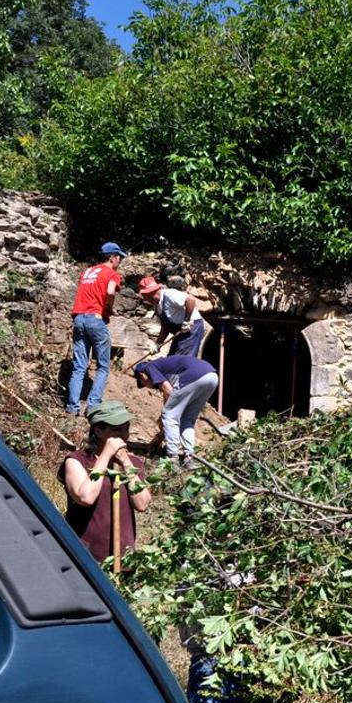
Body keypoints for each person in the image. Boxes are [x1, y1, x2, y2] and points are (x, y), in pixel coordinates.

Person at [59, 400, 151, 565]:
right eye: (116, 430)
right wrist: (106, 455)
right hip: (84, 556)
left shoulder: (133, 464)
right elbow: (85, 497)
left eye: (126, 429)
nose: (123, 436)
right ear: (98, 430)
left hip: (123, 558)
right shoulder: (77, 461)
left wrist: (126, 463)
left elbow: (142, 503)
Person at [66, 242, 126, 415]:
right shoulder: (112, 273)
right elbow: (110, 291)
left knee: (79, 366)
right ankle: (93, 406)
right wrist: (109, 308)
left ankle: (72, 408)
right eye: (119, 257)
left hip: (78, 318)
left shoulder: (87, 271)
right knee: (103, 367)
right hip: (95, 319)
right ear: (112, 257)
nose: (120, 260)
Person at [133, 354, 219, 467]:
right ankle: (189, 457)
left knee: (169, 416)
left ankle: (172, 457)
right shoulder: (162, 367)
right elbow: (169, 396)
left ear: (142, 376)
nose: (148, 386)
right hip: (212, 376)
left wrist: (165, 417)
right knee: (187, 418)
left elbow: (168, 390)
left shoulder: (150, 367)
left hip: (194, 377)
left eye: (143, 384)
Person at [139, 274, 209, 358]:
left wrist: (187, 321)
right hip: (179, 331)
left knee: (181, 358)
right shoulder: (157, 305)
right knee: (171, 358)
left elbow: (190, 300)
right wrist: (158, 344)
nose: (145, 299)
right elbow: (165, 327)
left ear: (151, 293)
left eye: (145, 296)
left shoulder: (170, 294)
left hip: (191, 328)